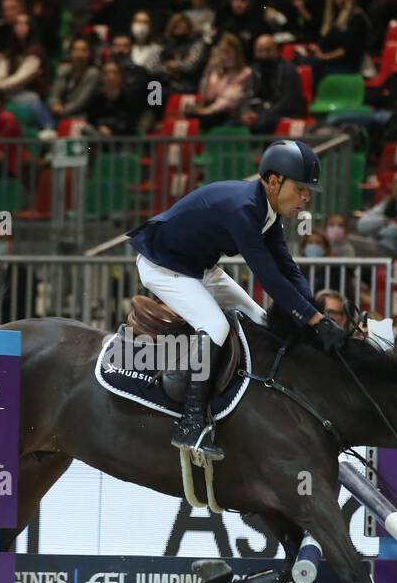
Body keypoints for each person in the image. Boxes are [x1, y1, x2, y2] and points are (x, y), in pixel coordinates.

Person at [125, 140, 339, 460]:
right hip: (164, 268)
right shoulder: (243, 210)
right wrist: (314, 320)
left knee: (260, 320)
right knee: (215, 326)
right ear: (273, 181)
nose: (307, 197)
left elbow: (287, 267)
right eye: (301, 188)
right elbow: (269, 278)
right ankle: (190, 424)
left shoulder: (267, 212)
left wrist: (314, 314)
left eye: (309, 190)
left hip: (201, 269)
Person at [241, 34, 303, 133]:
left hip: (283, 113)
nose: (264, 54)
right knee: (232, 124)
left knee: (263, 123)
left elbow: (287, 102)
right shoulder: (254, 70)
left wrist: (260, 116)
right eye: (260, 51)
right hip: (259, 112)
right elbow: (246, 95)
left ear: (276, 51)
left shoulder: (288, 70)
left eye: (268, 50)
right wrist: (246, 113)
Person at [48, 37, 101, 121]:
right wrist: (55, 104)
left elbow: (82, 101)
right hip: (58, 111)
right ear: (70, 53)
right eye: (76, 50)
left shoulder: (93, 73)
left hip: (81, 114)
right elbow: (54, 93)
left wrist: (63, 110)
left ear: (90, 53)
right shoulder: (63, 70)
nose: (80, 54)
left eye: (84, 50)